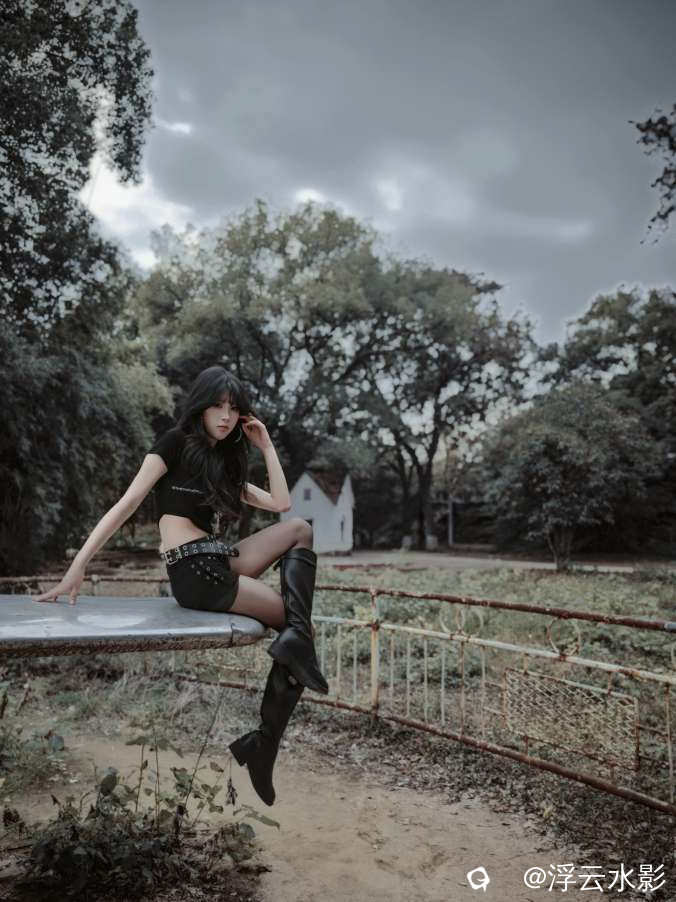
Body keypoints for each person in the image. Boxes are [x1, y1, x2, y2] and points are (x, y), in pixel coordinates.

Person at [33, 365, 329, 806]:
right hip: (195, 574)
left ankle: (264, 739)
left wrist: (266, 446)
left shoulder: (223, 462)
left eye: (234, 408)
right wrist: (77, 566)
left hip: (219, 559)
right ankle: (264, 744)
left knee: (300, 530)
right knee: (299, 629)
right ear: (201, 406)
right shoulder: (173, 444)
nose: (226, 416)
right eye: (218, 405)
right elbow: (128, 503)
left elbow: (282, 503)